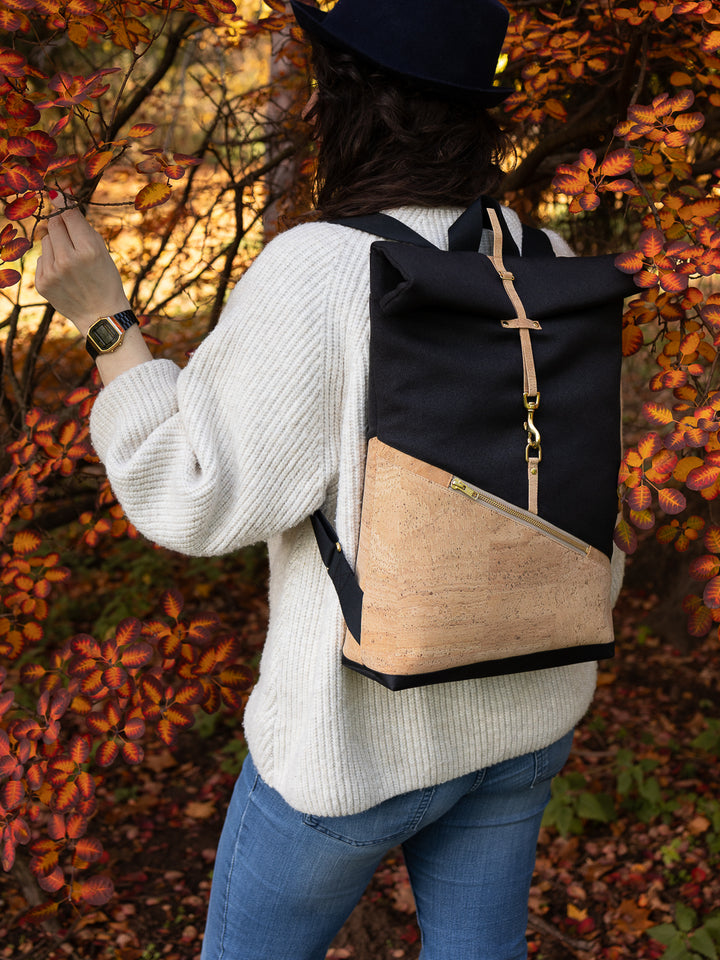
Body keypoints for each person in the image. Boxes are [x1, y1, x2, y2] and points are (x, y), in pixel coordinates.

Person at [35, 1, 625, 957]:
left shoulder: (319, 271)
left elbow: (193, 494)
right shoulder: (541, 257)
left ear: (350, 99)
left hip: (355, 751)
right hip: (527, 710)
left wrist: (108, 324)